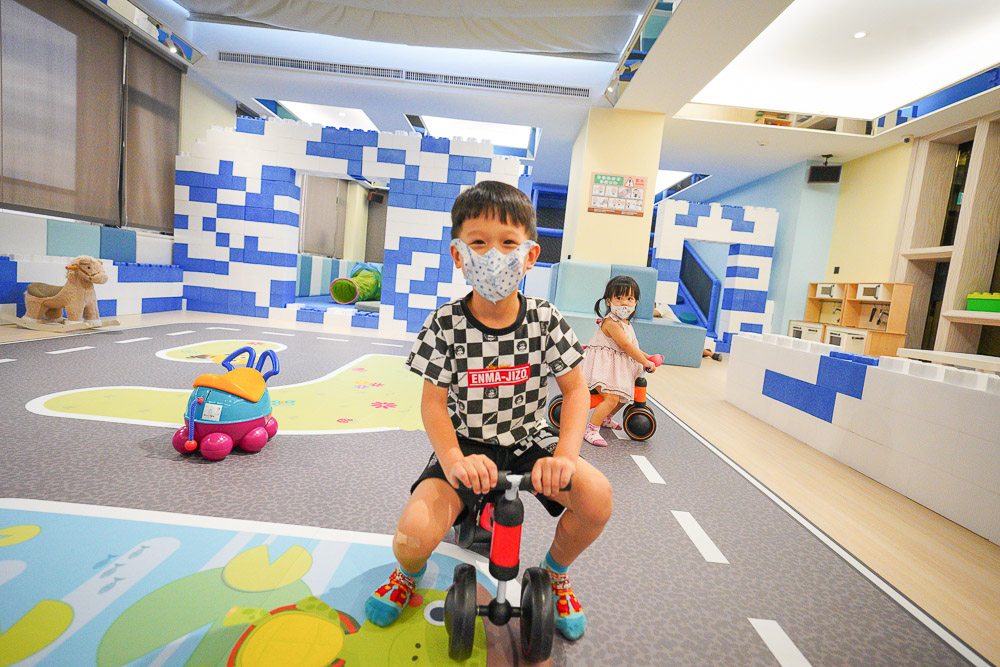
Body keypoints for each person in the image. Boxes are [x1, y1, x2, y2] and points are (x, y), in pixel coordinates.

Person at [364, 180, 613, 642]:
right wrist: (455, 460)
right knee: (414, 533)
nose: (493, 255)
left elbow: (576, 392)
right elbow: (433, 405)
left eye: (508, 243)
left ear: (530, 255)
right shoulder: (444, 323)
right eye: (478, 243)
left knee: (596, 496)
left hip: (527, 440)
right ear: (459, 255)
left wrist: (564, 453)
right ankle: (406, 575)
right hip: (466, 444)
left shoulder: (545, 319)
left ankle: (555, 573)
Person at [580, 275, 658, 446]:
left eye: (629, 298)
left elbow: (632, 346)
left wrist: (647, 357)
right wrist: (645, 362)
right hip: (604, 367)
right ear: (609, 301)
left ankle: (606, 418)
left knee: (623, 397)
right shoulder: (611, 322)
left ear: (636, 302)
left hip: (617, 367)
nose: (624, 303)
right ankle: (591, 429)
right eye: (619, 298)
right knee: (611, 398)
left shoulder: (626, 324)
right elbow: (625, 346)